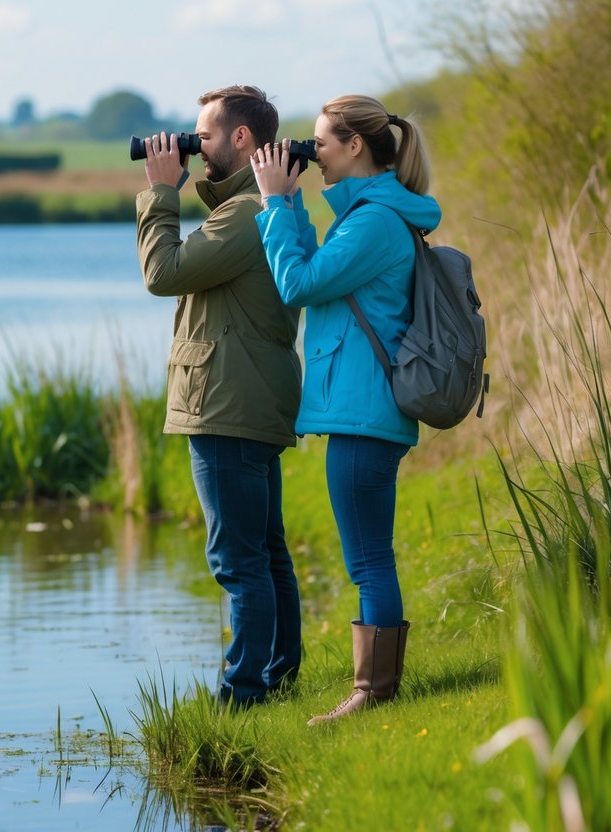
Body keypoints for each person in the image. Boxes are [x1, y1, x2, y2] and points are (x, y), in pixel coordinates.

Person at [250, 94, 441, 724]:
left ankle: (373, 691)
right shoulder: (374, 216)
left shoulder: (373, 223)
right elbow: (312, 271)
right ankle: (376, 686)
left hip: (364, 410)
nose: (316, 154)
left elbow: (298, 285)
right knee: (369, 553)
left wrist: (275, 204)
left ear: (355, 145)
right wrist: (292, 204)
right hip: (363, 408)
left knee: (367, 558)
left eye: (322, 143)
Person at [136, 85, 303, 707]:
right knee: (268, 554)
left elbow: (163, 274)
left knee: (239, 562)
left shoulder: (245, 213)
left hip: (226, 406)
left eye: (202, 135)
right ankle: (279, 678)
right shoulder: (266, 206)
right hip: (247, 400)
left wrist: (159, 191)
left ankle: (243, 697)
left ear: (241, 139)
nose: (192, 147)